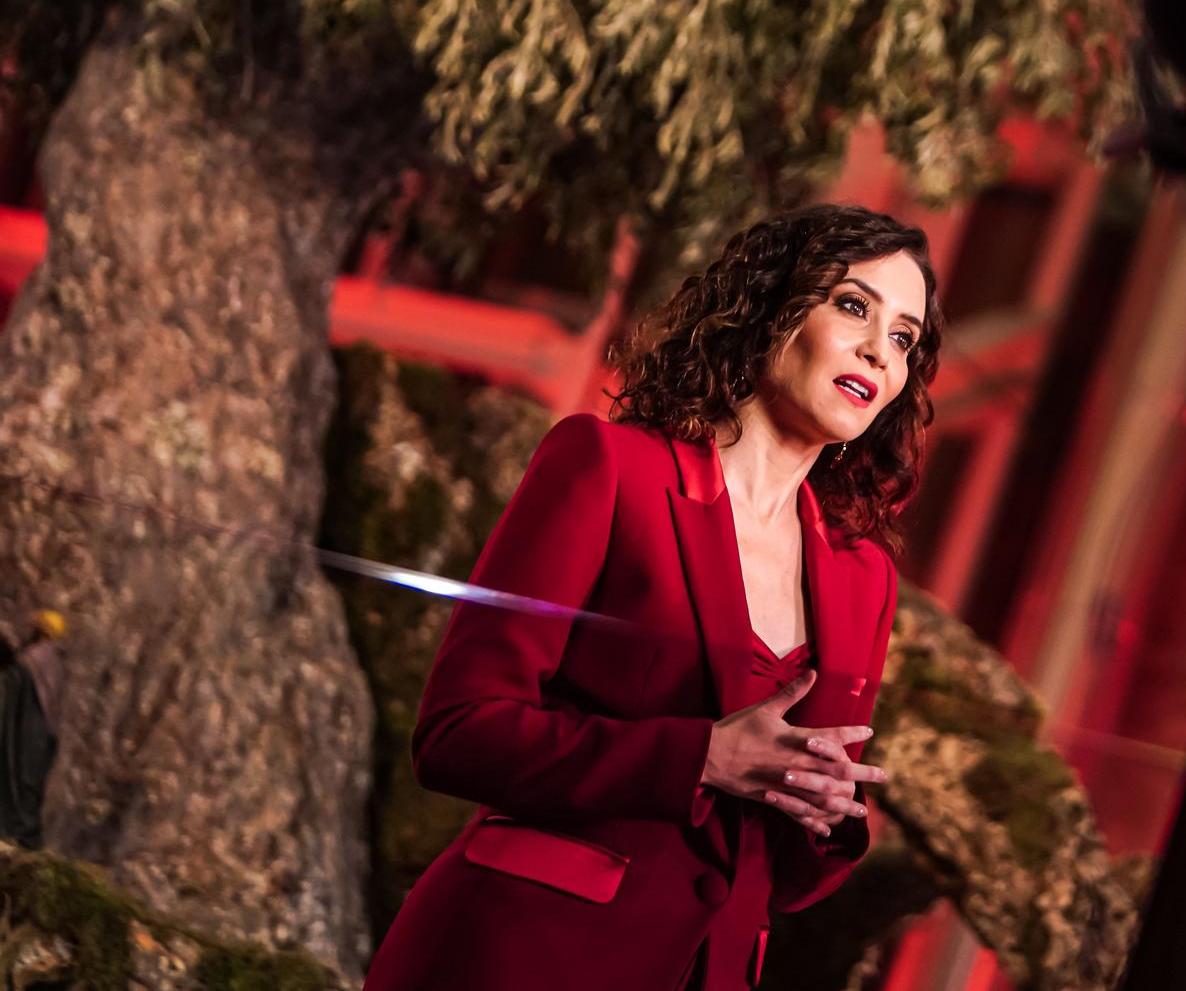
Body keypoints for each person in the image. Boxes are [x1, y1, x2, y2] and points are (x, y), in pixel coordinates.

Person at [364, 205, 940, 991]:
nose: (879, 348)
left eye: (904, 337)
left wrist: (823, 807)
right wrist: (700, 754)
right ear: (773, 305)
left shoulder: (863, 577)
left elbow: (787, 878)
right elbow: (458, 731)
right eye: (853, 305)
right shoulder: (607, 468)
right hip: (519, 955)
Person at [0, 608, 66, 849]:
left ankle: (17, 832)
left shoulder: (33, 659)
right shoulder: (57, 661)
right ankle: (27, 837)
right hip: (46, 733)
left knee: (19, 777)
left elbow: (14, 679)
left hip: (29, 730)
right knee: (32, 785)